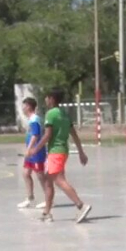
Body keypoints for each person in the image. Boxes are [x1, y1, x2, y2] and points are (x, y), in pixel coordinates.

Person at [39, 89, 91, 224]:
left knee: (59, 180)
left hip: (55, 152)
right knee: (48, 181)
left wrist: (34, 149)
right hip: (63, 150)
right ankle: (47, 213)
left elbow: (47, 135)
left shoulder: (50, 114)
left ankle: (81, 205)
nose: (45, 100)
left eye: (46, 98)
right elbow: (74, 135)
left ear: (51, 99)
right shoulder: (65, 114)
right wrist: (81, 152)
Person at [18, 97, 47, 209]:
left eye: (24, 106)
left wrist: (29, 149)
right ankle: (30, 198)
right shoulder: (31, 119)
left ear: (29, 107)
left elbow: (35, 135)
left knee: (40, 175)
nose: (23, 109)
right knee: (26, 173)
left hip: (37, 151)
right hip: (31, 153)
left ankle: (48, 198)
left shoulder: (35, 119)